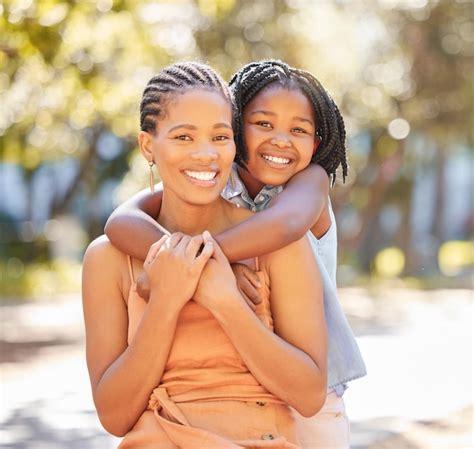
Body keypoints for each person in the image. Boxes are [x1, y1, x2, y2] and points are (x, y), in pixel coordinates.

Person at [105, 60, 366, 448]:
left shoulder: (309, 183)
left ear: (315, 143)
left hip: (314, 388)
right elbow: (121, 221)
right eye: (263, 124)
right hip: (247, 384)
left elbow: (283, 226)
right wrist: (184, 268)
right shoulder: (211, 178)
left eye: (298, 130)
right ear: (236, 128)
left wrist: (203, 262)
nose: (280, 139)